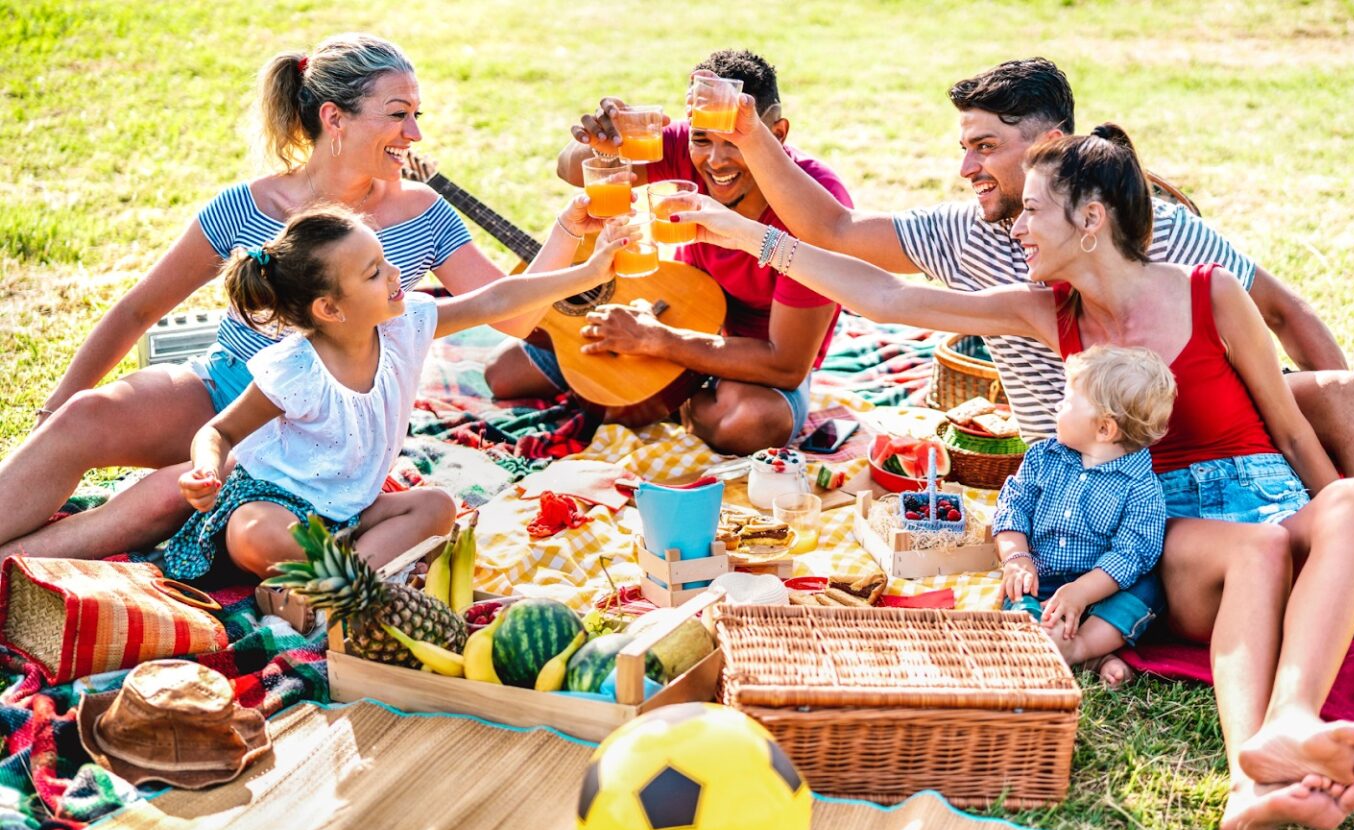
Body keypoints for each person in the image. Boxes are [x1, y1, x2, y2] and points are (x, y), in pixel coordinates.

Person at [688, 59, 1354, 669]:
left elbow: (1283, 316)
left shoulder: (1153, 234)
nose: (966, 168)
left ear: (1056, 155)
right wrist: (750, 189)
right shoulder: (983, 247)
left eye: (985, 146)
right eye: (965, 147)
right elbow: (858, 263)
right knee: (1262, 507)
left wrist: (1349, 492)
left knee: (1343, 397)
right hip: (1104, 455)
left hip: (1208, 424)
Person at [671, 124, 1354, 830]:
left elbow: (1293, 433)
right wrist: (751, 237)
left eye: (1034, 209)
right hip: (1196, 548)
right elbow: (886, 297)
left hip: (1275, 504)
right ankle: (1249, 782)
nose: (1017, 227)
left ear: (1091, 218)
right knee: (1261, 547)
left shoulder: (1212, 291)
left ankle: (1289, 723)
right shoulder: (1045, 312)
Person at [0, 34, 531, 562]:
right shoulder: (246, 205)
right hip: (228, 387)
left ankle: (9, 570)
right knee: (85, 414)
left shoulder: (424, 214)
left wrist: (569, 229)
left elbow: (515, 317)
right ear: (334, 117)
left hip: (320, 435)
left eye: (416, 114)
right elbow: (138, 309)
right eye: (398, 114)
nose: (414, 134)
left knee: (168, 493)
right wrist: (54, 411)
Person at [164, 200, 623, 579]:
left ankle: (330, 589)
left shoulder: (406, 326)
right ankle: (357, 579)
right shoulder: (296, 370)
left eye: (385, 260)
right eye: (373, 273)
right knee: (254, 534)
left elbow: (495, 299)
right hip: (277, 505)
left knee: (437, 507)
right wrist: (205, 469)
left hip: (351, 512)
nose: (394, 272)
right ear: (329, 309)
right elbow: (219, 433)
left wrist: (589, 274)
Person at [483, 49, 849, 456]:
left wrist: (655, 340)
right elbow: (570, 170)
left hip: (751, 359)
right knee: (503, 374)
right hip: (676, 307)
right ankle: (647, 392)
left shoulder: (815, 207)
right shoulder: (680, 145)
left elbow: (787, 364)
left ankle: (660, 400)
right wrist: (602, 147)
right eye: (702, 139)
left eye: (734, 141)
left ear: (776, 134)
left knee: (752, 423)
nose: (715, 161)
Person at [993, 345, 1176, 689]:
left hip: (1104, 588)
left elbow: (1131, 554)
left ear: (1105, 429)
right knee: (1019, 591)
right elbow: (1013, 507)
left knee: (1148, 589)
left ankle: (1080, 647)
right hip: (1043, 578)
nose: (1056, 407)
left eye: (1066, 401)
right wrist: (1017, 557)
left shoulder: (1141, 487)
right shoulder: (1042, 457)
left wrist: (1082, 591)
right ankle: (1064, 643)